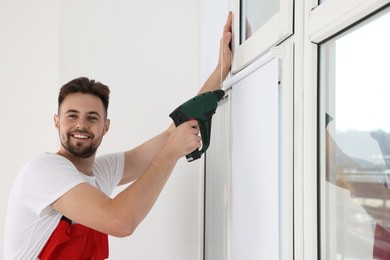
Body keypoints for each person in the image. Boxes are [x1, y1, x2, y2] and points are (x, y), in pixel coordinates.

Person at [4, 12, 232, 260]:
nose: (81, 125)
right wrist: (170, 156)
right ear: (57, 122)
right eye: (71, 116)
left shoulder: (100, 172)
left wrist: (221, 71)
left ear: (105, 126)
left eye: (92, 117)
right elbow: (120, 221)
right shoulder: (44, 170)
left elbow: (170, 134)